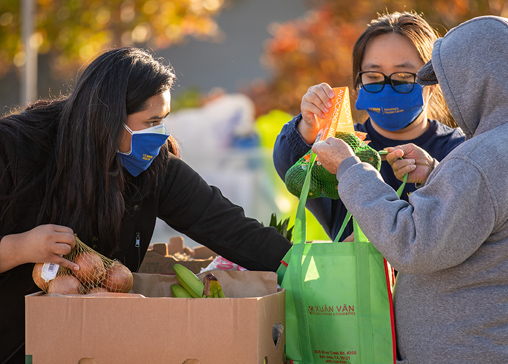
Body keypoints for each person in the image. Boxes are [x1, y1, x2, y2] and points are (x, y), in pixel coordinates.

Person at [0, 47, 292, 364]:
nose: (159, 135)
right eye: (150, 122)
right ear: (107, 119)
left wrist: (309, 263)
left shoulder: (152, 168)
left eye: (162, 121)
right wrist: (20, 247)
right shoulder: (16, 150)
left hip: (90, 348)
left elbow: (233, 231)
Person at [312, 15, 508, 363]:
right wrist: (438, 173)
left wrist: (350, 169)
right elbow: (499, 218)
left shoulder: (482, 157)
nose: (449, 95)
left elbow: (412, 245)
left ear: (475, 78)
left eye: (451, 81)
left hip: (466, 353)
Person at [273, 11, 465, 241]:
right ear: (359, 83)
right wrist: (309, 125)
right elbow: (289, 162)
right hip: (357, 277)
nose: (386, 86)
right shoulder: (342, 148)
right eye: (373, 76)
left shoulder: (459, 149)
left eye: (403, 75)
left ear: (431, 83)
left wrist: (434, 173)